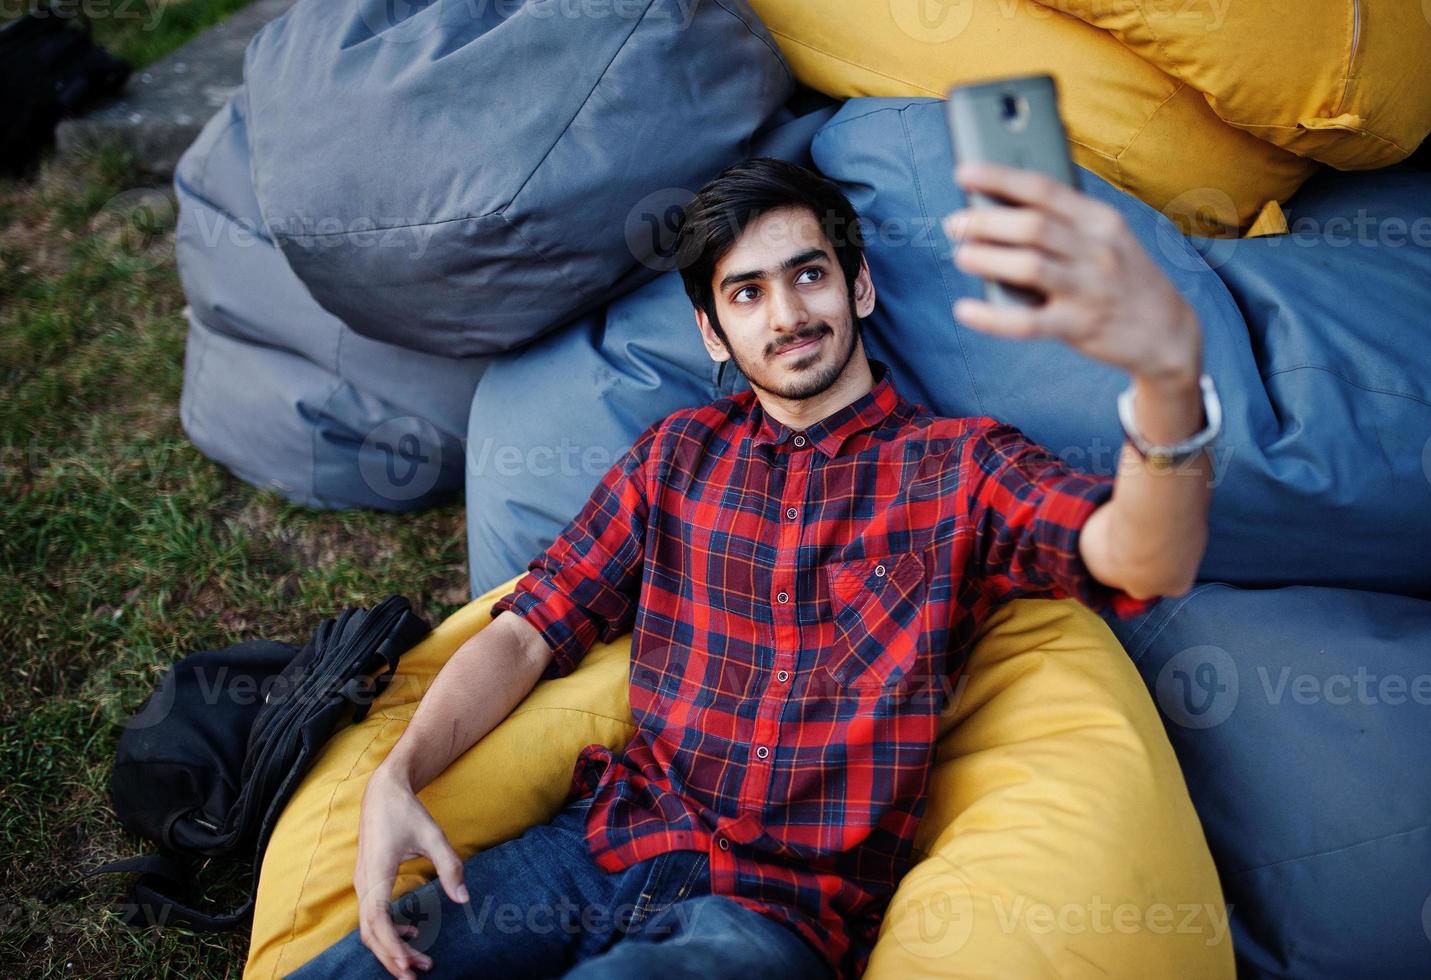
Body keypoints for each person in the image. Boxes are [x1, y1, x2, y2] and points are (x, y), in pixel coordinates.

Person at [289, 157, 1219, 980]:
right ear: (711, 331)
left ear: (856, 287)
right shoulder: (675, 456)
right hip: (595, 851)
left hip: (776, 917)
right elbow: (532, 629)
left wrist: (1169, 388)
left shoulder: (958, 467)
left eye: (808, 275)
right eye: (746, 293)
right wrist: (395, 779)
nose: (786, 315)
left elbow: (1140, 555)